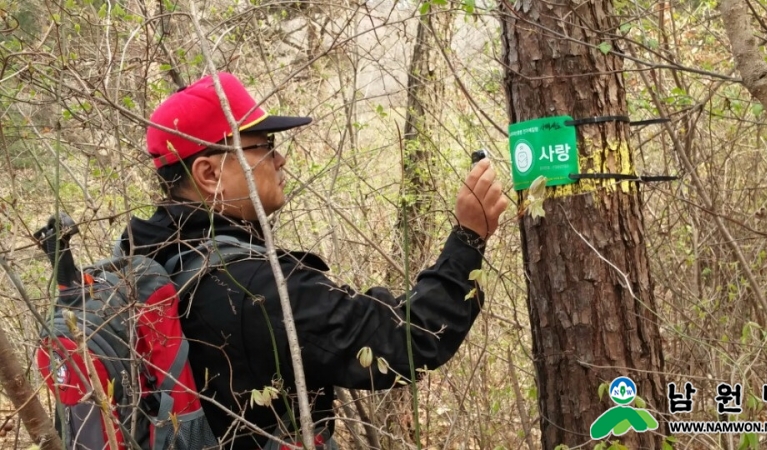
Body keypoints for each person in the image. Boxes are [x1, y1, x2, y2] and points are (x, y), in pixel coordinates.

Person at [119, 72, 508, 449]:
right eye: (264, 145)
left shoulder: (144, 258)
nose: (281, 158)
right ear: (209, 174)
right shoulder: (250, 288)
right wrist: (468, 237)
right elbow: (410, 338)